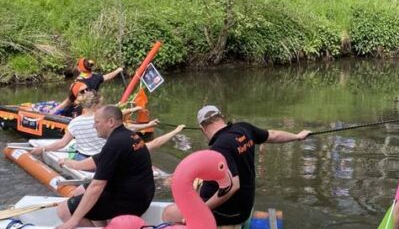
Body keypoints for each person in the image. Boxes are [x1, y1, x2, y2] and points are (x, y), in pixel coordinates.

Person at [161, 105, 310, 228]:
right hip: (244, 204)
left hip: (230, 213)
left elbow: (233, 186)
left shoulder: (220, 147)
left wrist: (202, 210)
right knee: (195, 182)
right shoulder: (243, 128)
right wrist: (297, 136)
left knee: (168, 213)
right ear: (222, 118)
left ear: (202, 128)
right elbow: (273, 135)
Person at [54, 105, 154, 229]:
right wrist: (72, 163)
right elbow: (99, 159)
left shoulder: (115, 144)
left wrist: (74, 220)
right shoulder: (128, 135)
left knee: (63, 210)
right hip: (140, 193)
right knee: (80, 191)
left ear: (110, 122)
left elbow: (97, 186)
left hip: (131, 201)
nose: (94, 126)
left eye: (97, 122)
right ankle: (103, 226)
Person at [51, 58, 124, 117]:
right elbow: (108, 76)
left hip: (82, 111)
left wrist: (54, 110)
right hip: (93, 107)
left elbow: (68, 101)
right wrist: (117, 70)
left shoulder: (77, 84)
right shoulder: (96, 77)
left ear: (79, 69)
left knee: (66, 109)